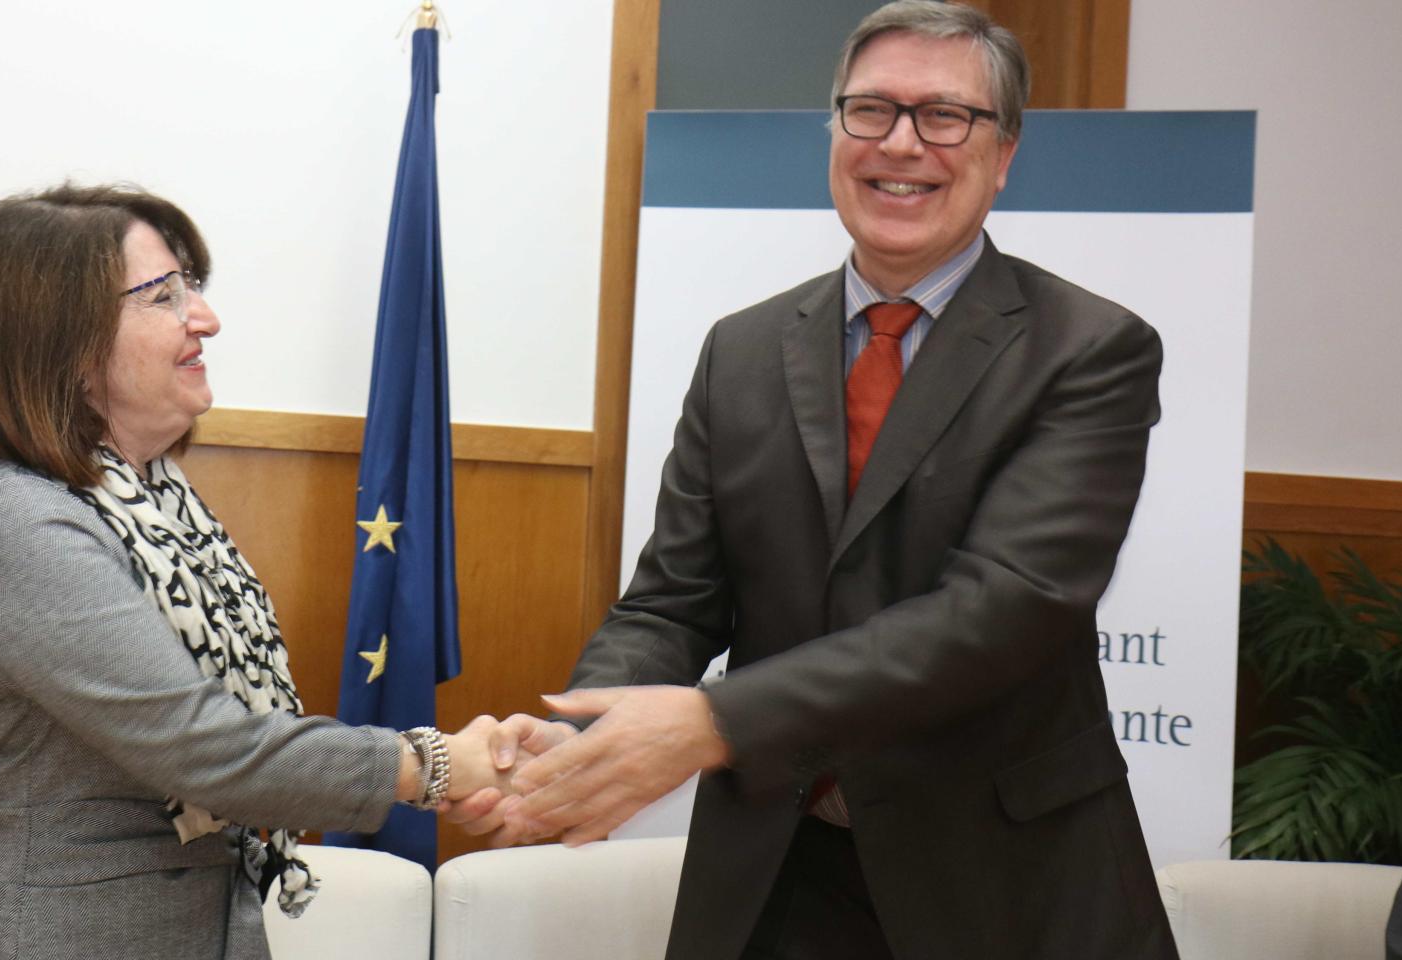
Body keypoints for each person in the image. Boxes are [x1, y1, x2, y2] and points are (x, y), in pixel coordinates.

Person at [451, 3, 1178, 958]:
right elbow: (671, 605)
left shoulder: (1088, 350)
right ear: (833, 133)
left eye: (945, 115)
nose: (902, 143)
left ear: (1003, 153)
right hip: (777, 875)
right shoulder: (742, 349)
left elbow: (1001, 612)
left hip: (1005, 882)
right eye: (870, 110)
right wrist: (585, 739)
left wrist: (713, 722)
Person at [0, 184, 509, 960]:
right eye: (162, 296)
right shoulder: (20, 522)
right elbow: (207, 749)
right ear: (58, 341)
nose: (205, 317)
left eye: (191, 286)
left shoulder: (152, 501)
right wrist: (431, 765)